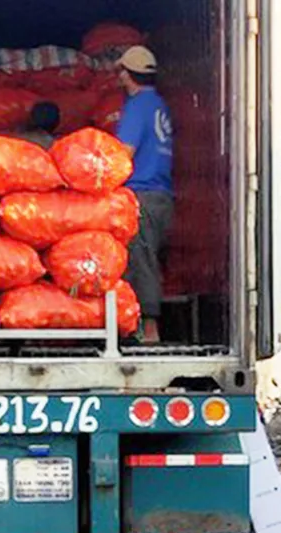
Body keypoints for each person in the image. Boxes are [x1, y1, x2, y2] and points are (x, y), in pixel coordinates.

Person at [115, 45, 174, 343]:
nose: (120, 76)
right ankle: (138, 327)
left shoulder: (137, 106)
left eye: (122, 71)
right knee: (148, 258)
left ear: (129, 74)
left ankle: (149, 330)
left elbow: (123, 154)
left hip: (141, 195)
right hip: (161, 195)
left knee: (140, 260)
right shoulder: (159, 104)